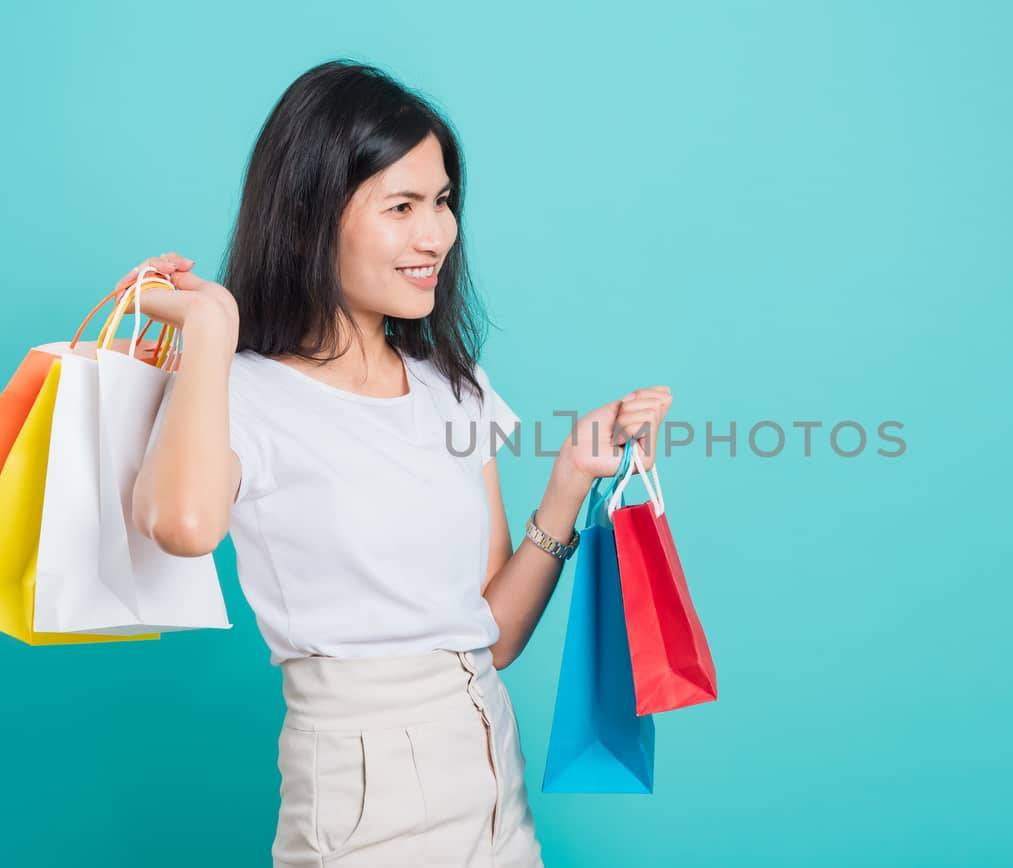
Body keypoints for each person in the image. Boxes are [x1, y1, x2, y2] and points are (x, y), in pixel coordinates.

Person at [118, 59, 673, 867]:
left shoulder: (454, 386)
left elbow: (493, 632)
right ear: (310, 220)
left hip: (490, 770)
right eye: (401, 206)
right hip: (360, 788)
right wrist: (211, 333)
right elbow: (183, 525)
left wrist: (568, 482)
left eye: (442, 201)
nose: (435, 234)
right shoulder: (240, 389)